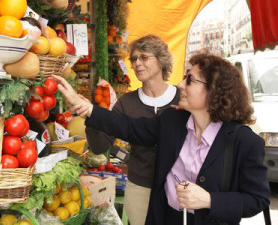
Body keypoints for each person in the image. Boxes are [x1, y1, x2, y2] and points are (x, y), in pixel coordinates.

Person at [53, 51, 270, 225]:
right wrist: (87, 108)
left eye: (190, 80)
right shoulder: (172, 121)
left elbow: (257, 200)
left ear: (213, 92)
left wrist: (209, 200)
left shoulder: (244, 142)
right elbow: (128, 127)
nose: (180, 85)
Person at [85, 34, 179, 225]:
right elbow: (100, 146)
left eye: (144, 57)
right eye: (134, 59)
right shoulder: (126, 102)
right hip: (140, 186)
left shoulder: (181, 99)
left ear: (161, 61)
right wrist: (92, 117)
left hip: (178, 186)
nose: (137, 63)